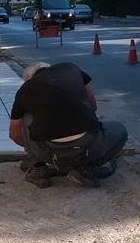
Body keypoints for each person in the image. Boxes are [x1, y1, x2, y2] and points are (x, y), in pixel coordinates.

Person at [9, 61, 128, 189]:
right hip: (90, 147)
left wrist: (35, 150)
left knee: (26, 118)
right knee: (120, 130)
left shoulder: (24, 91)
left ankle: (37, 166)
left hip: (50, 154)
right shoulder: (71, 68)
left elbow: (14, 135)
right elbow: (93, 106)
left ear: (30, 80)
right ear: (49, 68)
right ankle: (86, 168)